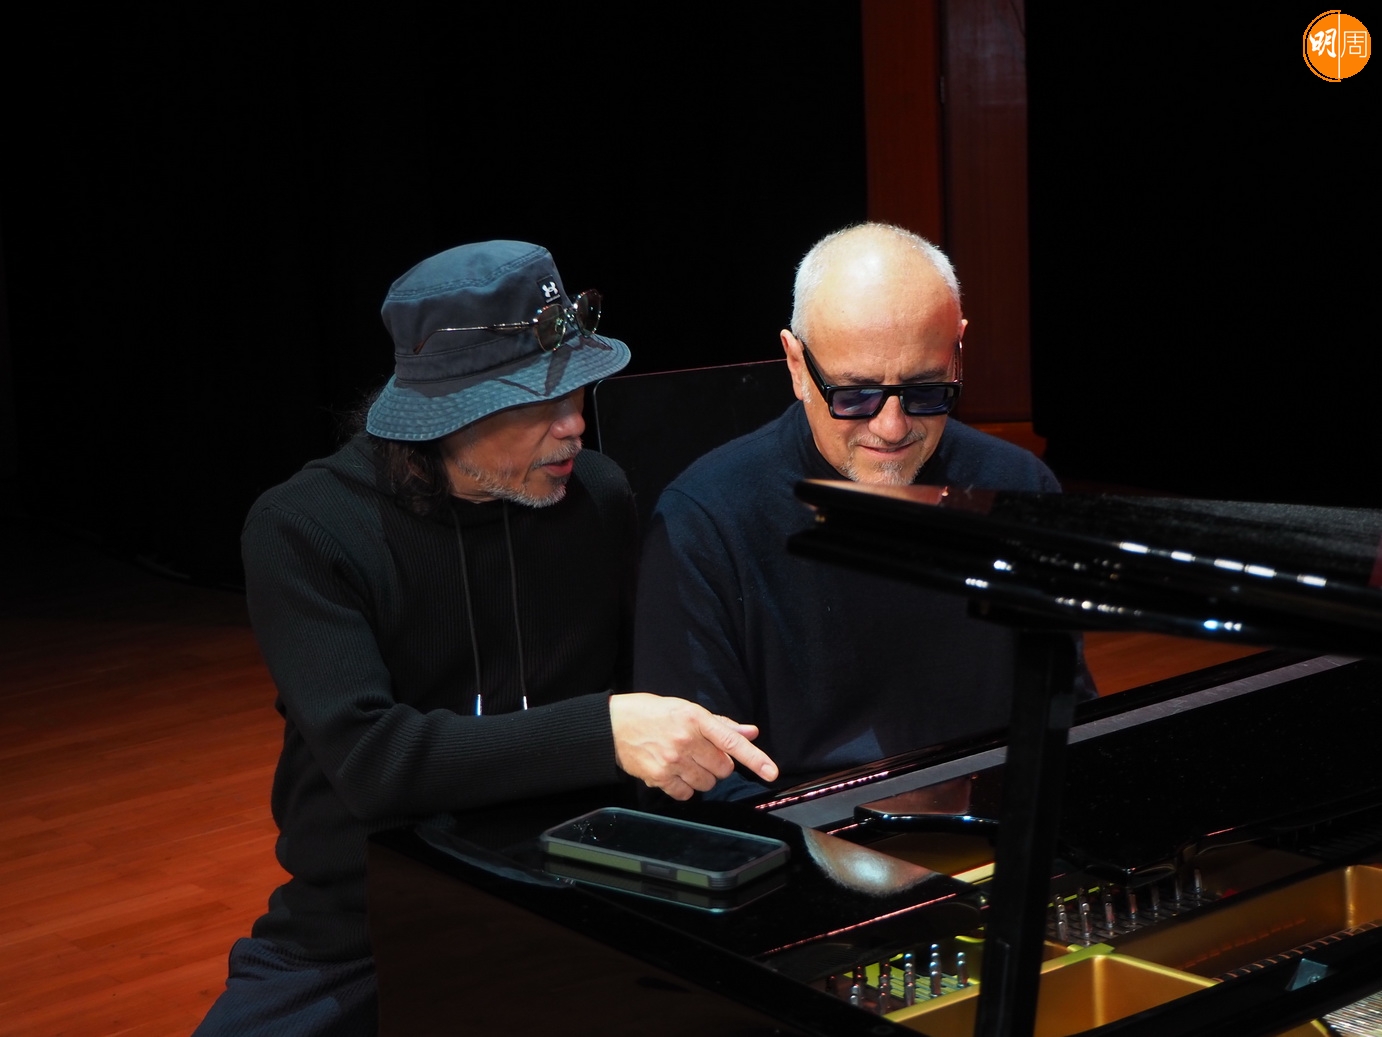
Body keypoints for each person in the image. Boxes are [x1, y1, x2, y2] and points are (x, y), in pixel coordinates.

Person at [194, 240, 777, 1036]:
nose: (575, 426)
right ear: (446, 411)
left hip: (577, 891)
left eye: (578, 391)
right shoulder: (306, 528)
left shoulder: (599, 498)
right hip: (365, 921)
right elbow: (375, 763)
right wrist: (603, 730)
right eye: (539, 404)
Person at [633, 222, 1091, 801]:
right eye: (854, 395)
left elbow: (1066, 719)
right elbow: (697, 792)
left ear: (958, 349)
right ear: (796, 365)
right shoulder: (706, 520)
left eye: (926, 390)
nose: (892, 427)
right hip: (802, 838)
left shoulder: (1021, 488)